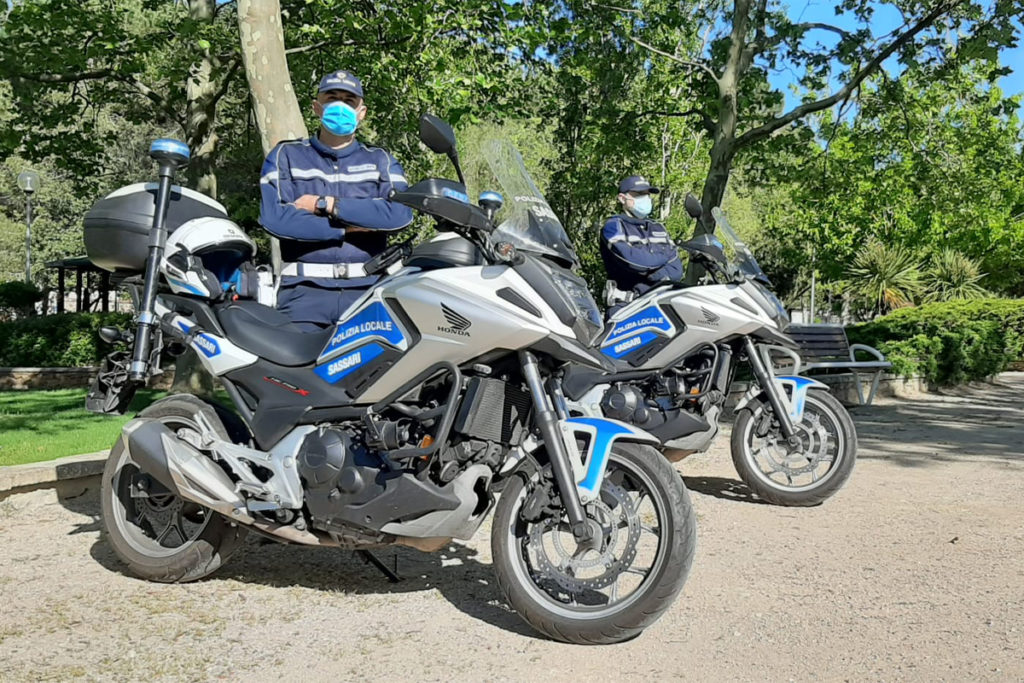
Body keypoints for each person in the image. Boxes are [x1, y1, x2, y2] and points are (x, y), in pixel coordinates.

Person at [259, 69, 413, 331]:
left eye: (349, 100)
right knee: (295, 370)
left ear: (361, 112)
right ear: (317, 107)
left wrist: (326, 205)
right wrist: (349, 227)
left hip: (369, 294)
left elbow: (399, 215)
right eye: (332, 98)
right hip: (302, 296)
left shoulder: (380, 160)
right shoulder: (286, 155)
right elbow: (275, 219)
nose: (340, 105)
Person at [599, 175, 682, 301]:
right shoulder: (614, 226)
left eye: (647, 194)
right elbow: (633, 261)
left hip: (659, 303)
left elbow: (676, 270)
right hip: (626, 306)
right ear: (622, 198)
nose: (645, 198)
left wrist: (652, 272)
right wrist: (664, 257)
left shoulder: (658, 228)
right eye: (639, 194)